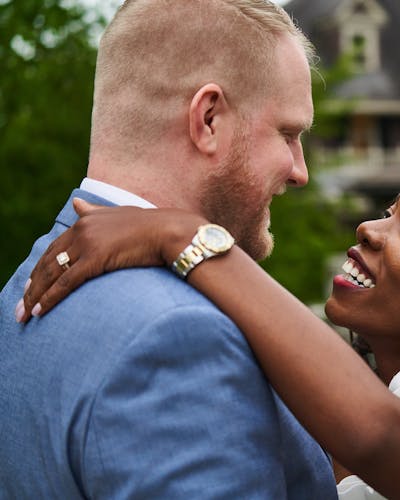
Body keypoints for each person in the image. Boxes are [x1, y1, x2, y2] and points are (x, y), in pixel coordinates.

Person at [19, 148, 400, 499]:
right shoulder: (324, 394)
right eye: (386, 213)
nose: (367, 228)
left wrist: (180, 235)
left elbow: (375, 433)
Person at [0, 0, 338, 498]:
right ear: (208, 119)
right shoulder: (179, 338)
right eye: (287, 133)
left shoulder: (24, 279)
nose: (299, 170)